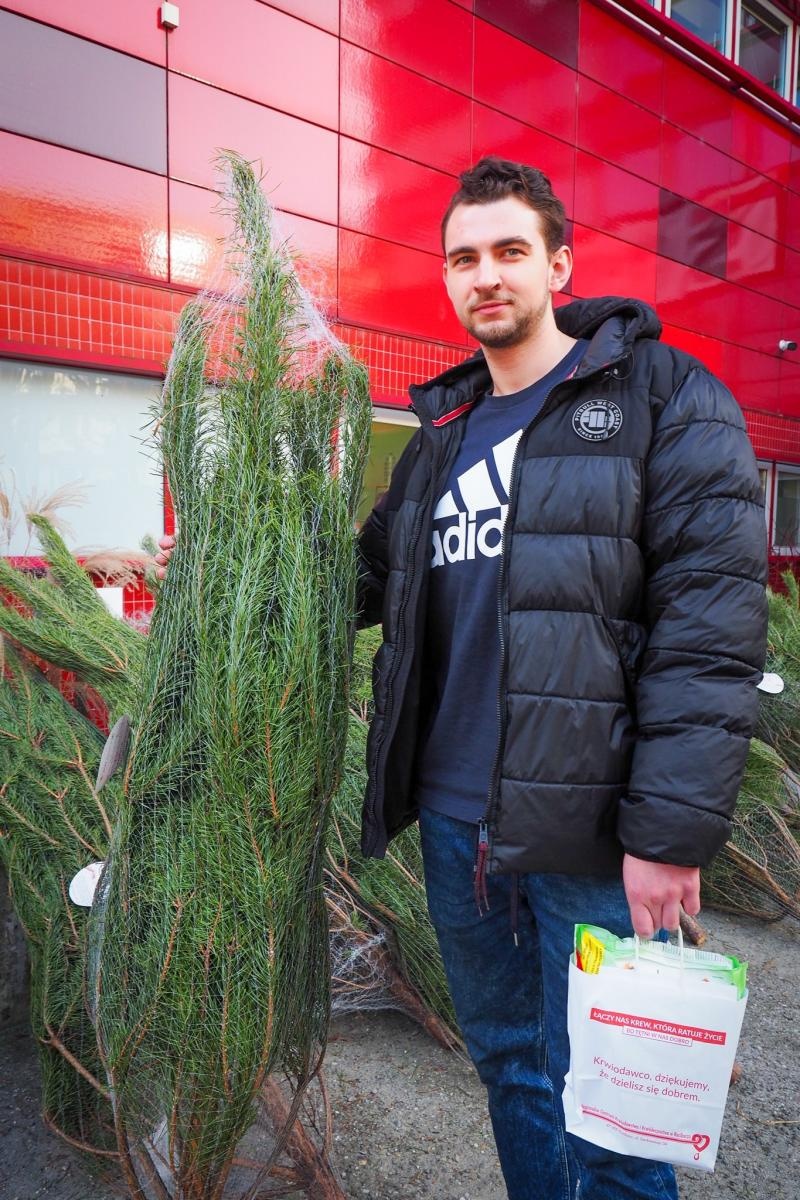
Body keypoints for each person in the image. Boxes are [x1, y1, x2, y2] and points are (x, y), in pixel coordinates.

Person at [157, 156, 768, 1200]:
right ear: (445, 279)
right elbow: (361, 580)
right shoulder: (441, 441)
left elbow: (707, 627)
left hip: (590, 827)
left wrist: (667, 834)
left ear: (558, 263)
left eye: (507, 252)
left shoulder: (663, 399)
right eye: (461, 258)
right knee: (509, 1067)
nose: (484, 275)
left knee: (616, 1103)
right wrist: (225, 568)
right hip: (454, 824)